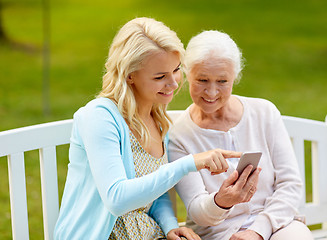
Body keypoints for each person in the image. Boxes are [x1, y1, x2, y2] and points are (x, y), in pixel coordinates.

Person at [53, 18, 243, 240]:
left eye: (176, 70)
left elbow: (156, 195)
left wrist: (171, 226)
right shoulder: (100, 117)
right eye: (160, 76)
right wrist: (190, 163)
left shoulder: (157, 118)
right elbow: (117, 199)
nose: (173, 83)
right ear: (129, 75)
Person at [168, 30, 313, 240]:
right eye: (202, 80)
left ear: (234, 77)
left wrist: (258, 231)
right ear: (187, 74)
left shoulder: (264, 112)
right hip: (220, 234)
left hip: (276, 224)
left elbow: (290, 184)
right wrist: (221, 201)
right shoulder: (179, 135)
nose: (211, 92)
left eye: (222, 81)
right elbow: (197, 211)